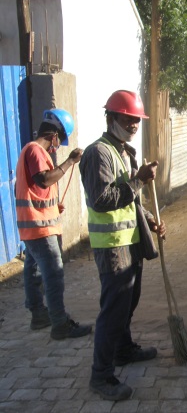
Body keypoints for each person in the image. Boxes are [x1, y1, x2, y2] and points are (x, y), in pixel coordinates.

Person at [80, 90, 166, 401]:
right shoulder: (97, 153)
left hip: (130, 242)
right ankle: (101, 375)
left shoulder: (121, 152)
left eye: (136, 120)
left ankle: (123, 349)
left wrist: (150, 220)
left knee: (129, 302)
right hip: (112, 246)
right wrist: (140, 180)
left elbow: (131, 201)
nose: (133, 124)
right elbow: (102, 200)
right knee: (114, 310)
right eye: (128, 119)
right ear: (112, 117)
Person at [15, 109, 93, 340]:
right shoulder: (36, 151)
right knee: (53, 274)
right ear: (55, 135)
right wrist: (70, 161)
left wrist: (52, 205)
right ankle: (60, 324)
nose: (56, 147)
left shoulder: (29, 151)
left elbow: (36, 189)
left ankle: (39, 315)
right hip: (41, 228)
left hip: (33, 224)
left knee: (34, 271)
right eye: (59, 142)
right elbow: (44, 180)